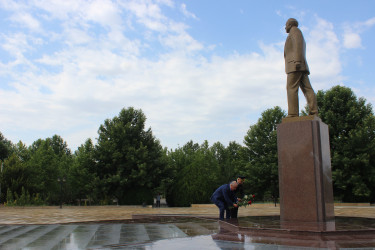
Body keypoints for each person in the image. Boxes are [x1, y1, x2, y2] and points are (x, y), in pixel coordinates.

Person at [284, 18, 318, 118]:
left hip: (295, 65)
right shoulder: (296, 32)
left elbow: (298, 45)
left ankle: (293, 114)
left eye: (286, 25)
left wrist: (297, 61)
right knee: (307, 88)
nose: (285, 27)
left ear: (290, 24)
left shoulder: (295, 31)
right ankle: (314, 111)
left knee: (291, 88)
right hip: (299, 65)